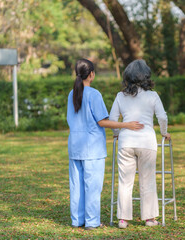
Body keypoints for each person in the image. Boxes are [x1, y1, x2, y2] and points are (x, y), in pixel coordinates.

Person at [67, 59, 144, 230]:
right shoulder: (94, 94)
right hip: (92, 149)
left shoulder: (71, 94)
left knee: (77, 185)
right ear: (92, 74)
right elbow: (102, 121)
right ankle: (92, 222)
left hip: (75, 147)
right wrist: (127, 125)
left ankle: (77, 220)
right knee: (92, 186)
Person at [109, 59, 171, 228]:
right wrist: (164, 132)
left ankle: (123, 219)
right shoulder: (153, 95)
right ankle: (150, 219)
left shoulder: (120, 96)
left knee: (125, 181)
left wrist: (116, 134)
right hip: (147, 142)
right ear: (146, 76)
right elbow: (162, 117)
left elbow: (113, 119)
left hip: (126, 142)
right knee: (148, 180)